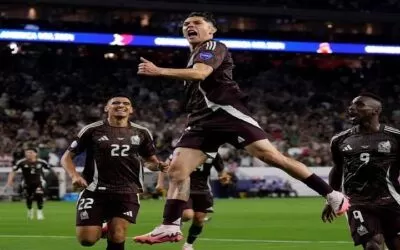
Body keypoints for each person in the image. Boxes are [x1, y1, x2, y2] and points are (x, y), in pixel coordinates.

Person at [134, 12, 349, 244]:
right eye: (186, 24)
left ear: (211, 30)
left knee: (271, 156)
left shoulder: (213, 45)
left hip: (226, 112)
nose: (189, 26)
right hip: (200, 120)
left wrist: (160, 71)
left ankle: (332, 195)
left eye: (196, 23)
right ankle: (169, 226)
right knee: (177, 170)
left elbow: (201, 73)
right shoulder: (194, 54)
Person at [60, 95, 168, 250]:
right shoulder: (92, 130)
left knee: (117, 234)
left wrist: (158, 166)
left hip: (127, 190)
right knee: (87, 240)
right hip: (95, 190)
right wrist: (74, 175)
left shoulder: (142, 132)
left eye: (126, 103)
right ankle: (104, 226)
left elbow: (150, 161)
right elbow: (66, 158)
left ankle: (110, 228)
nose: (121, 105)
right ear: (106, 108)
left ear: (131, 110)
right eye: (115, 103)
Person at [322, 93, 400, 250]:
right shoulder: (339, 140)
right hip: (358, 202)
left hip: (392, 200)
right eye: (351, 105)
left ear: (375, 111)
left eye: (359, 105)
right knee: (372, 245)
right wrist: (330, 198)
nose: (352, 108)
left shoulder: (395, 137)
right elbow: (337, 170)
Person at [156, 153, 230, 250]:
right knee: (187, 215)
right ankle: (173, 222)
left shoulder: (214, 153)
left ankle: (188, 244)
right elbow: (164, 166)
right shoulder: (184, 148)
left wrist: (224, 178)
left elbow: (221, 171)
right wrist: (160, 183)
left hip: (204, 190)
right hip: (184, 188)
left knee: (199, 219)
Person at [5, 146, 50, 220]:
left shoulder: (41, 162)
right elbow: (13, 171)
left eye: (31, 152)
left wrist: (48, 178)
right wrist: (10, 181)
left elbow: (50, 169)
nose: (29, 154)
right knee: (28, 198)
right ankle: (30, 210)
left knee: (39, 195)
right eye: (27, 152)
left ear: (35, 154)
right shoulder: (21, 162)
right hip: (27, 183)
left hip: (39, 182)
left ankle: (39, 212)